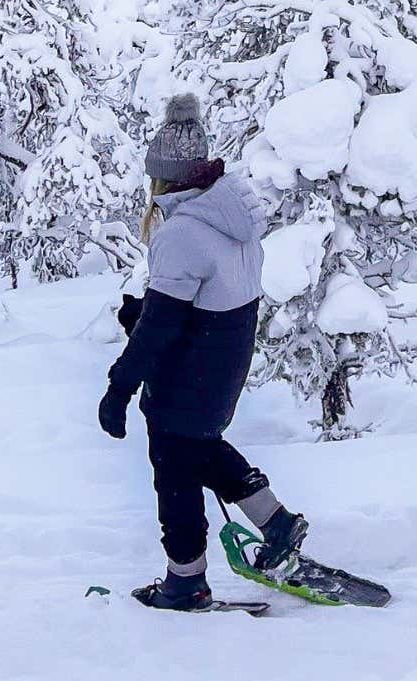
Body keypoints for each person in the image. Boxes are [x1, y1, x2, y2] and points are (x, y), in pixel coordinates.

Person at [98, 94, 306, 611]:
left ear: (164, 178)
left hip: (184, 378)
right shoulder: (234, 218)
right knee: (200, 447)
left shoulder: (183, 232)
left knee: (175, 471)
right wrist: (145, 309)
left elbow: (161, 330)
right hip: (222, 367)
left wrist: (119, 387)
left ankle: (185, 580)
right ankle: (276, 522)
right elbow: (201, 298)